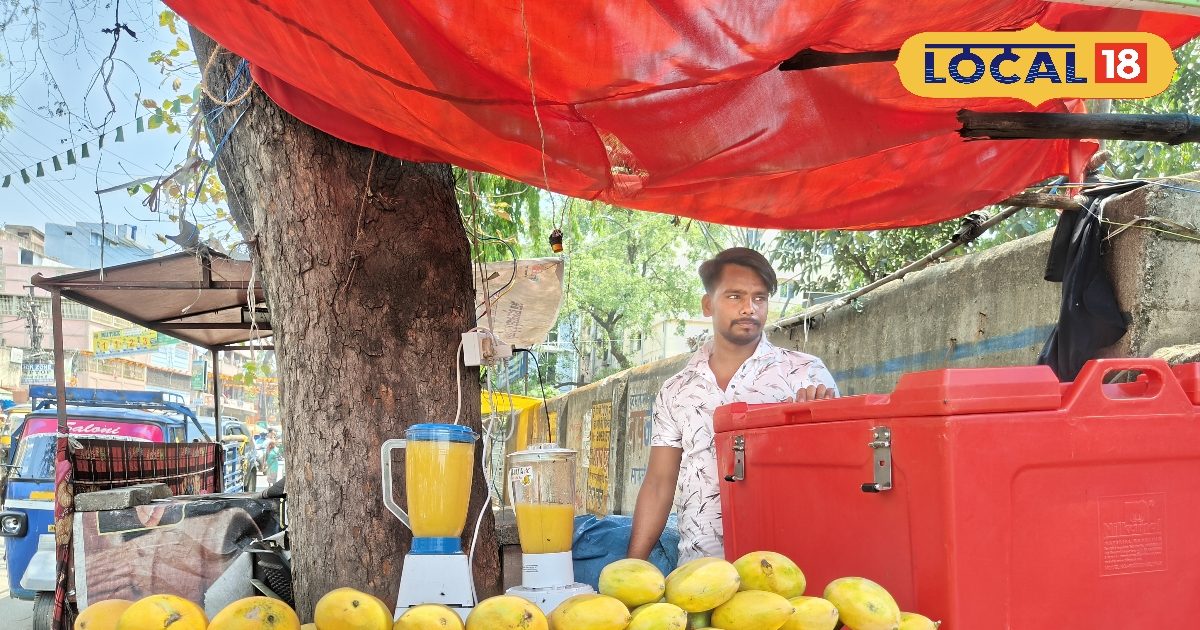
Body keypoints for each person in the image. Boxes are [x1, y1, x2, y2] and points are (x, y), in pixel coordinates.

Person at [627, 247, 838, 564]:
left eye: (759, 298)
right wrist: (633, 566)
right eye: (735, 296)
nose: (749, 308)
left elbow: (835, 475)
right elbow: (659, 483)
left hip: (784, 567)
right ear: (708, 305)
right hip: (700, 573)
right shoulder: (676, 390)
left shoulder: (804, 375)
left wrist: (819, 428)